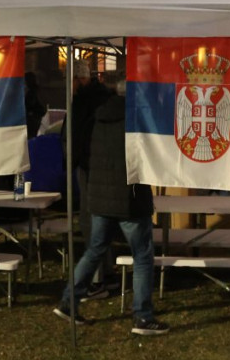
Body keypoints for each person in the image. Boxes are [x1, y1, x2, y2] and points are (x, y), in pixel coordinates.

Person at [53, 80, 169, 335]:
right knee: (142, 256)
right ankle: (142, 316)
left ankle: (69, 301)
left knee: (94, 250)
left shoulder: (96, 117)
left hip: (99, 198)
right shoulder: (136, 121)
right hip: (130, 199)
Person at [61, 59, 114, 298]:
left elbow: (77, 136)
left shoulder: (84, 101)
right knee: (99, 220)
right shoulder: (101, 98)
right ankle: (107, 274)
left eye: (70, 81)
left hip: (90, 167)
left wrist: (72, 159)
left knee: (91, 222)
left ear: (79, 79)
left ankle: (96, 279)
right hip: (99, 167)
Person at [24, 71, 47, 139]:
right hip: (37, 118)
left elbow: (29, 105)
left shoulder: (32, 93)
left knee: (31, 137)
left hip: (32, 119)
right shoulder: (38, 90)